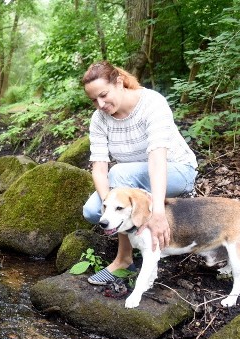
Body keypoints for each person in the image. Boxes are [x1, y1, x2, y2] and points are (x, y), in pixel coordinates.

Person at [81, 61, 198, 285]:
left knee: (120, 175)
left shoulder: (152, 103)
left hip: (177, 171)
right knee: (92, 211)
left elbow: (157, 159)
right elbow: (99, 168)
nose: (100, 104)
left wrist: (158, 213)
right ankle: (137, 238)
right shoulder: (99, 119)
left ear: (119, 83)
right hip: (133, 181)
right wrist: (108, 206)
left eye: (104, 95)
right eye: (94, 100)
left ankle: (124, 259)